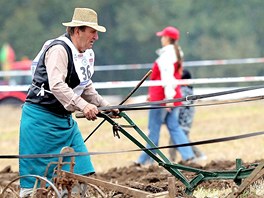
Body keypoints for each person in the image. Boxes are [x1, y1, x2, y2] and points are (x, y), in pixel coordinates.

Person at [19, 8, 118, 197]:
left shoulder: (87, 54)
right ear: (77, 30)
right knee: (36, 183)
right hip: (41, 122)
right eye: (92, 31)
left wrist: (106, 106)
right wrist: (83, 106)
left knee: (82, 172)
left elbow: (86, 87)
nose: (96, 37)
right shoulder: (59, 50)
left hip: (66, 123)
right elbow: (57, 85)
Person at [137, 26, 195, 165]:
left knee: (154, 129)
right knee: (174, 126)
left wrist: (167, 98)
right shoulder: (176, 53)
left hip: (162, 99)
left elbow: (167, 78)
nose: (161, 39)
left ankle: (146, 160)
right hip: (172, 96)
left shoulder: (166, 56)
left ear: (168, 38)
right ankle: (188, 156)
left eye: (163, 36)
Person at [168, 69, 207, 162]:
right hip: (186, 121)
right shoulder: (188, 90)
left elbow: (180, 105)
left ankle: (173, 160)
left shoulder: (184, 91)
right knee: (182, 140)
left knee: (176, 141)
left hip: (182, 121)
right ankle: (196, 156)